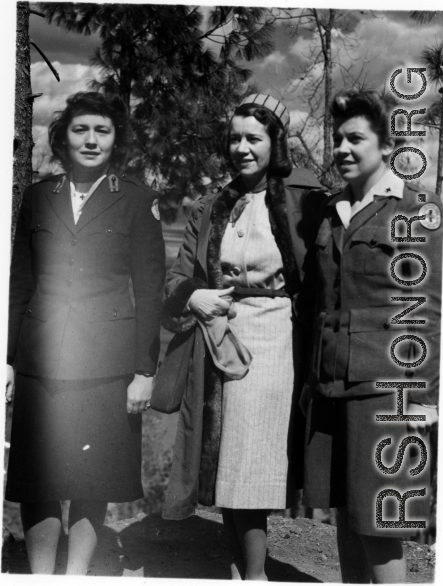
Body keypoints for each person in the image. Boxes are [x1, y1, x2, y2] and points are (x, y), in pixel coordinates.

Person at [161, 94, 325, 580]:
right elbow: (176, 279)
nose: (242, 147)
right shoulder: (214, 203)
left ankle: (254, 577)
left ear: (276, 141)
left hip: (276, 334)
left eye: (254, 138)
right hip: (218, 332)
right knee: (225, 463)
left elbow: (329, 275)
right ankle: (239, 571)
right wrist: (194, 297)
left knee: (250, 465)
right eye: (234, 138)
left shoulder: (307, 197)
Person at [5, 91, 165, 574]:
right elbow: (18, 284)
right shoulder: (38, 196)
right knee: (39, 481)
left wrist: (143, 370)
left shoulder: (137, 200)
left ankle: (74, 578)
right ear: (62, 137)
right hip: (41, 361)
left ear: (116, 140)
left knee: (91, 482)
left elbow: (151, 291)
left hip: (106, 366)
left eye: (103, 130)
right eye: (81, 129)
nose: (91, 140)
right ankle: (39, 579)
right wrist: (7, 359)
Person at [301, 89, 442, 583]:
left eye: (355, 138)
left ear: (385, 147)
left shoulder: (414, 211)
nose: (341, 147)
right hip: (331, 384)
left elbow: (429, 310)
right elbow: (318, 303)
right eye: (337, 138)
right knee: (344, 511)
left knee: (378, 526)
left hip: (385, 388)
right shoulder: (329, 211)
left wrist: (423, 398)